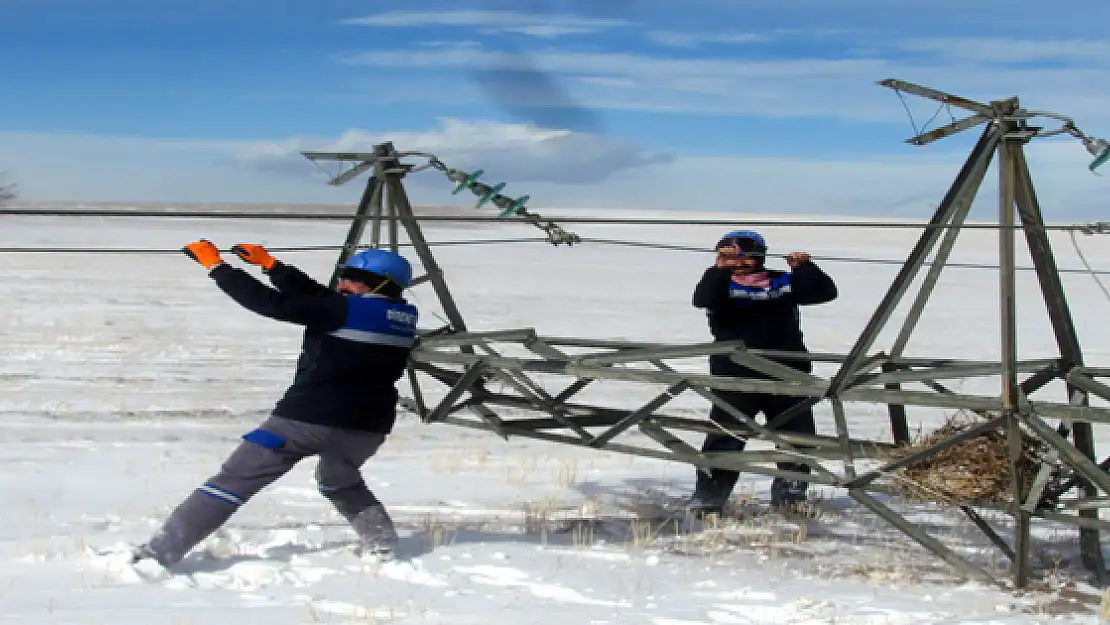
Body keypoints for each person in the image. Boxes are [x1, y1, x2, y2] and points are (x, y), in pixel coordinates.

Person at [129, 239, 420, 568]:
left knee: (232, 481)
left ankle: (156, 556)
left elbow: (272, 304)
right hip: (367, 428)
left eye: (352, 278)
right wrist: (272, 266)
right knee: (339, 481)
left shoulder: (343, 310)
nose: (341, 283)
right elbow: (321, 298)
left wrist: (218, 268)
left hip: (307, 419)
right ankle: (382, 545)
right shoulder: (403, 316)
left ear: (380, 283)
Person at [688, 229, 837, 517]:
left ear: (759, 257)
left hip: (788, 371)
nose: (738, 264)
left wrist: (805, 269)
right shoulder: (719, 284)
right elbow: (704, 298)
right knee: (725, 435)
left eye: (743, 258)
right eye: (728, 258)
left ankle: (791, 495)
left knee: (796, 435)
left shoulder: (782, 281)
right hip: (735, 375)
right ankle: (708, 498)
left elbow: (823, 292)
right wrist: (719, 270)